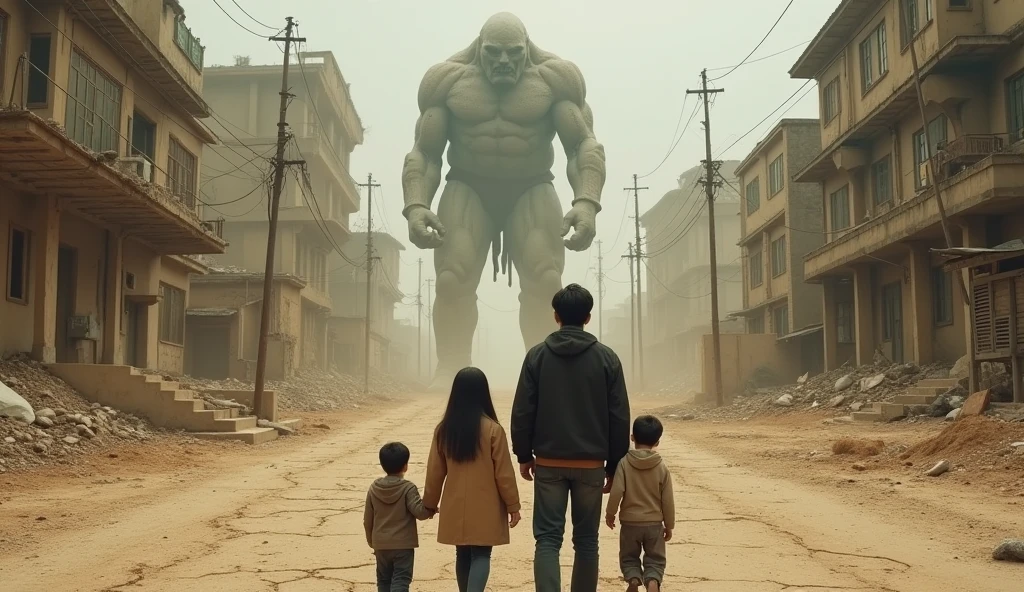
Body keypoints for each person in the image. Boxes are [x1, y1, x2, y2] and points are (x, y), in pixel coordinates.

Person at [511, 283, 631, 592]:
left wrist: (524, 455)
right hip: (591, 464)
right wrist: (614, 464)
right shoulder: (607, 359)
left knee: (548, 539)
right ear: (588, 318)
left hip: (548, 463)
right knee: (587, 540)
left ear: (556, 316)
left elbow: (523, 410)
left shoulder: (536, 356)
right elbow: (618, 416)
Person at [424, 367, 522, 592]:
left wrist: (429, 503)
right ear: (483, 393)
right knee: (481, 554)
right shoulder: (493, 430)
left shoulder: (444, 430)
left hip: (455, 503)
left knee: (462, 553)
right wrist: (513, 505)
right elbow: (504, 474)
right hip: (486, 505)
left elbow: (435, 472)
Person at [605, 416, 675, 592]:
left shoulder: (624, 464)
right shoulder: (661, 467)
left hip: (630, 524)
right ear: (657, 442)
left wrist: (610, 513)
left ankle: (634, 580)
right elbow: (667, 499)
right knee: (655, 558)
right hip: (654, 524)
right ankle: (652, 581)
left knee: (629, 557)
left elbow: (617, 491)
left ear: (632, 437)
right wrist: (669, 525)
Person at [363, 442, 436, 592]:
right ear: (405, 465)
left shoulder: (374, 488)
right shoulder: (408, 488)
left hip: (381, 544)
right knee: (401, 580)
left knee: (383, 580)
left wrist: (372, 542)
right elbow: (419, 512)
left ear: (382, 465)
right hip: (403, 546)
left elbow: (367, 520)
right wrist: (431, 510)